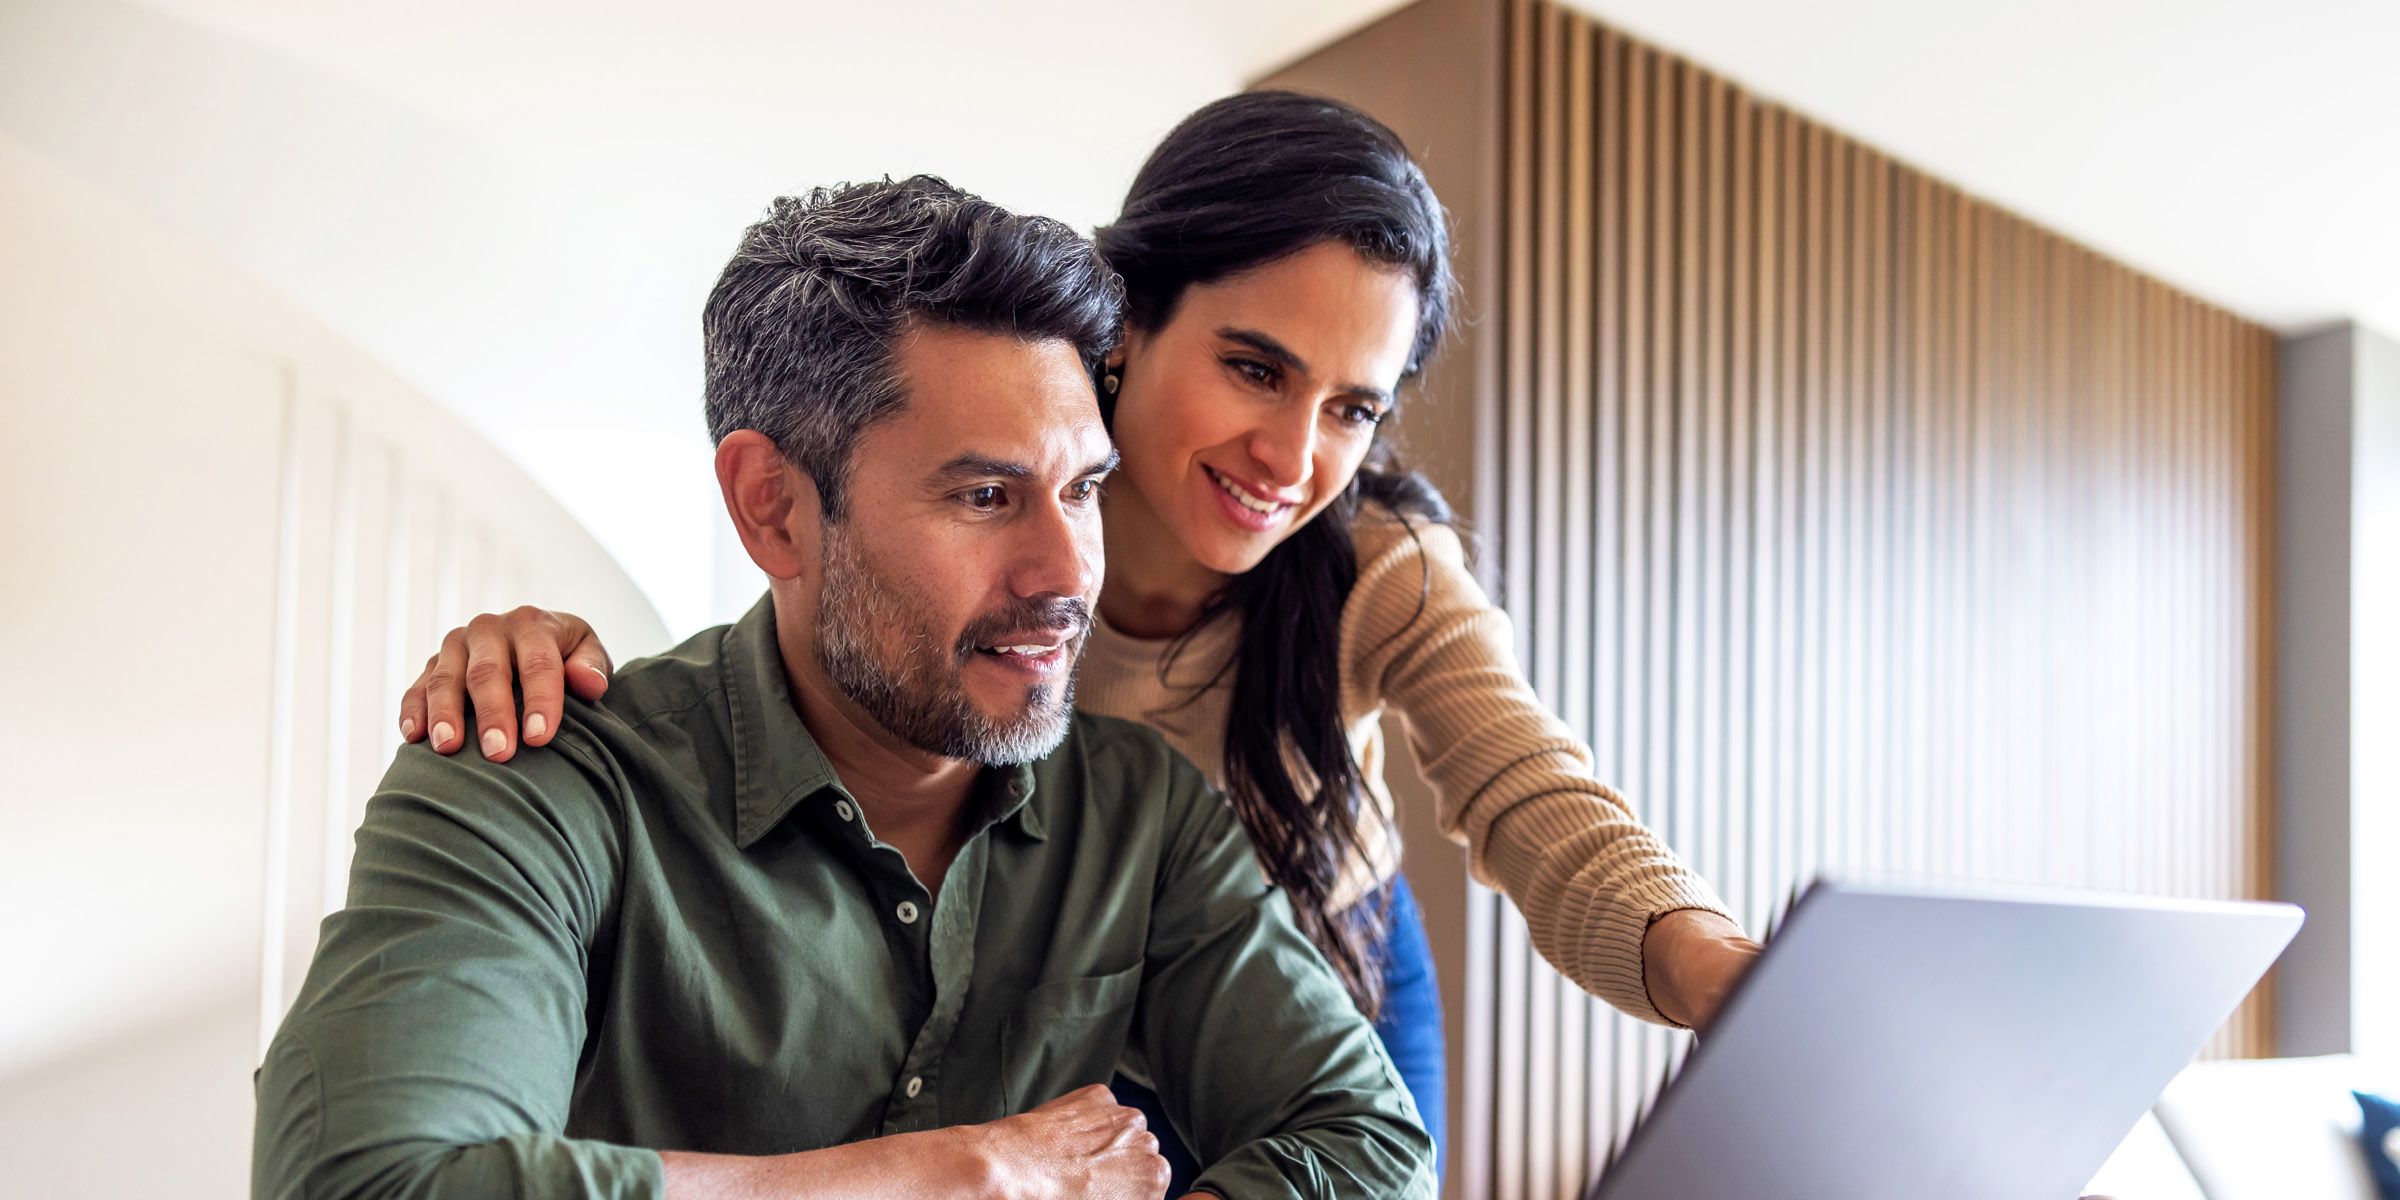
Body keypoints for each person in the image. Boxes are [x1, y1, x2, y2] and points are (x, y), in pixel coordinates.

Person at [396, 91, 1763, 1190]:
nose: (1294, 458)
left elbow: (1534, 796)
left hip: (1313, 932)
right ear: (1128, 328)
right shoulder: (984, 502)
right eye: (1255, 368)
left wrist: (1730, 981)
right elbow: (815, 632)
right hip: (1052, 945)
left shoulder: (1372, 570)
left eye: (1354, 408)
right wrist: (544, 653)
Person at [252, 175, 1433, 1200]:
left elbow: (1369, 1142)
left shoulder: (1144, 817)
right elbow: (369, 1182)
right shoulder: (535, 780)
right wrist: (957, 1178)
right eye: (985, 497)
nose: (1070, 573)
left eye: (1082, 491)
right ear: (773, 507)